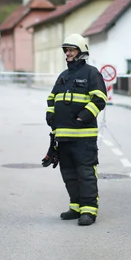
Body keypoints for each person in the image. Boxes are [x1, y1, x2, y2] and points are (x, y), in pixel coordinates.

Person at [45, 34, 107, 226]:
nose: (68, 53)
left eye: (71, 50)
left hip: (83, 136)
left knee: (86, 173)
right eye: (66, 50)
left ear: (81, 51)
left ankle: (89, 210)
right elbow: (52, 98)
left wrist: (83, 117)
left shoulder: (92, 73)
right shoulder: (63, 76)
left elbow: (99, 99)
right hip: (63, 136)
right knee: (69, 173)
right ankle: (76, 206)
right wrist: (50, 114)